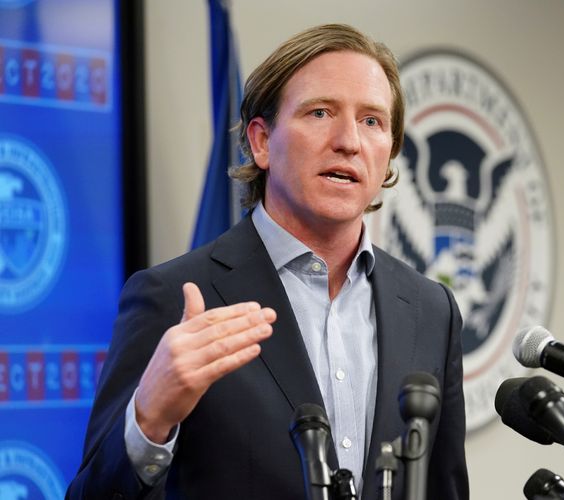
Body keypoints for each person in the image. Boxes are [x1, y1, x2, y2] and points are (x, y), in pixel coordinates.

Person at [67, 24, 468, 500]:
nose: (349, 141)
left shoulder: (431, 310)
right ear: (261, 142)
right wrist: (149, 420)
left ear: (389, 154)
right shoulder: (172, 297)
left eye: (372, 122)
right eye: (320, 112)